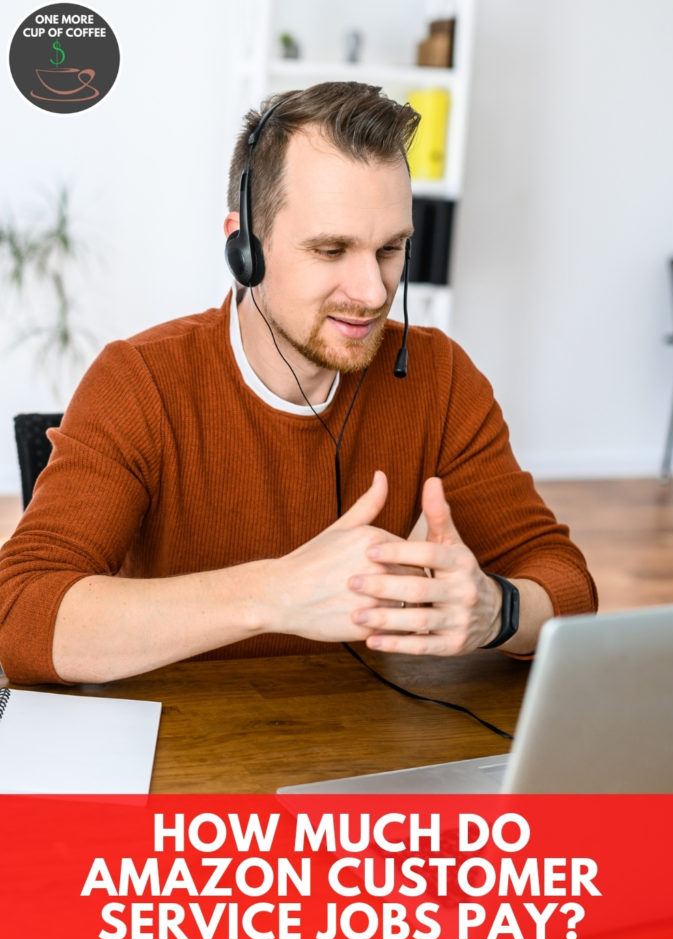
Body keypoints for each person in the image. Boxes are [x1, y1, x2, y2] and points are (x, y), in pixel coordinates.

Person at [0, 82, 596, 686]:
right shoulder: (140, 382)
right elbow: (18, 615)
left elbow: (566, 582)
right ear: (244, 247)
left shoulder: (437, 376)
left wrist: (498, 610)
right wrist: (274, 593)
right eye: (331, 249)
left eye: (391, 249)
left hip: (350, 748)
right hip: (178, 749)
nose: (371, 292)